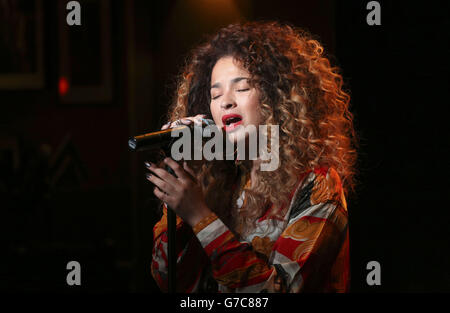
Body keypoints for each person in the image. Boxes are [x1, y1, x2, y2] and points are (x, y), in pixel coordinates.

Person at [147, 21, 357, 293]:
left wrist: (200, 216)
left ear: (277, 96)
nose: (226, 102)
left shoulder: (318, 184)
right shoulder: (219, 182)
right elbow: (169, 280)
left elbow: (276, 291)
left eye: (242, 88)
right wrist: (182, 189)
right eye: (215, 94)